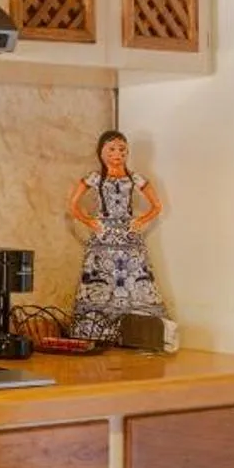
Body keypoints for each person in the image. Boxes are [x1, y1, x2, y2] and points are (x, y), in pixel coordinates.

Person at [68, 129, 165, 343]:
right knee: (100, 278)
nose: (117, 153)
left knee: (136, 278)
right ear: (101, 153)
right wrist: (89, 221)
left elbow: (157, 205)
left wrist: (141, 220)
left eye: (122, 149)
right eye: (111, 149)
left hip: (129, 236)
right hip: (103, 236)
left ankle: (139, 333)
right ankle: (95, 330)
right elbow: (73, 205)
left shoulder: (135, 178)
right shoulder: (95, 178)